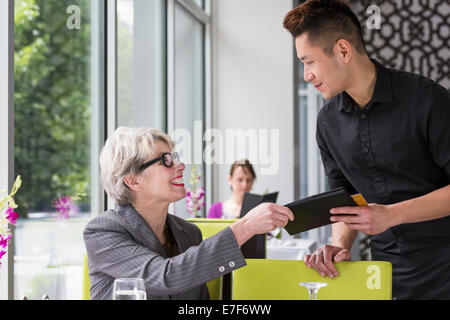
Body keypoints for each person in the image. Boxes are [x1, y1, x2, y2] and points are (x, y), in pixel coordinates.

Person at [283, 0, 450, 300]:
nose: (306, 74)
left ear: (343, 51)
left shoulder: (428, 101)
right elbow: (345, 201)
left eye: (309, 61)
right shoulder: (327, 122)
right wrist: (340, 245)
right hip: (383, 273)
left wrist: (391, 215)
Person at [83, 127, 294, 300]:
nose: (181, 165)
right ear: (133, 180)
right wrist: (245, 226)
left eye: (175, 157)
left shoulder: (188, 233)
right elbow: (166, 276)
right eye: (166, 160)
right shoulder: (103, 232)